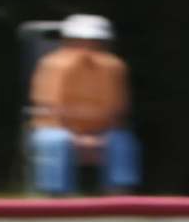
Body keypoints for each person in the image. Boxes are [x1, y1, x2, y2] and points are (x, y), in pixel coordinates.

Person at [28, 14, 141, 195]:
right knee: (56, 141)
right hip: (56, 128)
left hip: (102, 130)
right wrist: (76, 137)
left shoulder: (115, 67)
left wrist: (99, 137)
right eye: (80, 40)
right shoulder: (51, 65)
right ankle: (56, 198)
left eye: (95, 41)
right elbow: (49, 107)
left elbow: (118, 109)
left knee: (122, 142)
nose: (87, 45)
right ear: (68, 41)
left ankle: (119, 197)